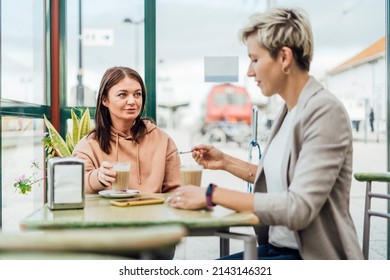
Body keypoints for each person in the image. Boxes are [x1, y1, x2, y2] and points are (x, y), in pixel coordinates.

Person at [169, 7, 363, 260]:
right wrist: (225, 162)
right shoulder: (289, 110)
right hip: (276, 248)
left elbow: (299, 207)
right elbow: (281, 177)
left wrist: (210, 195)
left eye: (255, 59)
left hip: (309, 257)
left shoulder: (325, 111)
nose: (250, 71)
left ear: (284, 57)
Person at [72, 66, 181, 195]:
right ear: (105, 100)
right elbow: (74, 187)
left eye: (137, 94)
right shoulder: (89, 145)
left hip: (151, 214)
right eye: (122, 95)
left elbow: (176, 191)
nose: (132, 101)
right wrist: (97, 178)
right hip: (107, 215)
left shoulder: (162, 140)